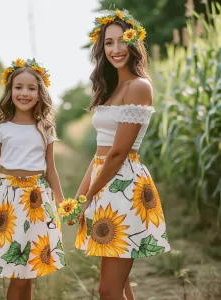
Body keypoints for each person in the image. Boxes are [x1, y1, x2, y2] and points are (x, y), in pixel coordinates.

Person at [75, 9, 171, 300]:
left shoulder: (139, 87)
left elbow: (118, 153)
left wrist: (89, 196)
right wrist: (80, 198)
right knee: (120, 286)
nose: (115, 49)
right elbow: (101, 151)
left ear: (134, 43)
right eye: (108, 43)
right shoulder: (110, 89)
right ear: (101, 48)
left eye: (122, 41)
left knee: (108, 289)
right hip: (105, 181)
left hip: (124, 186)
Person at [0, 58, 66, 300]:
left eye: (31, 88)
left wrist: (62, 205)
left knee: (30, 268)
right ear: (10, 91)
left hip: (36, 200)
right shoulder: (1, 130)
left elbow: (51, 171)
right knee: (17, 269)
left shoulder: (45, 129)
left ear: (40, 93)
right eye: (18, 87)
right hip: (8, 200)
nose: (24, 93)